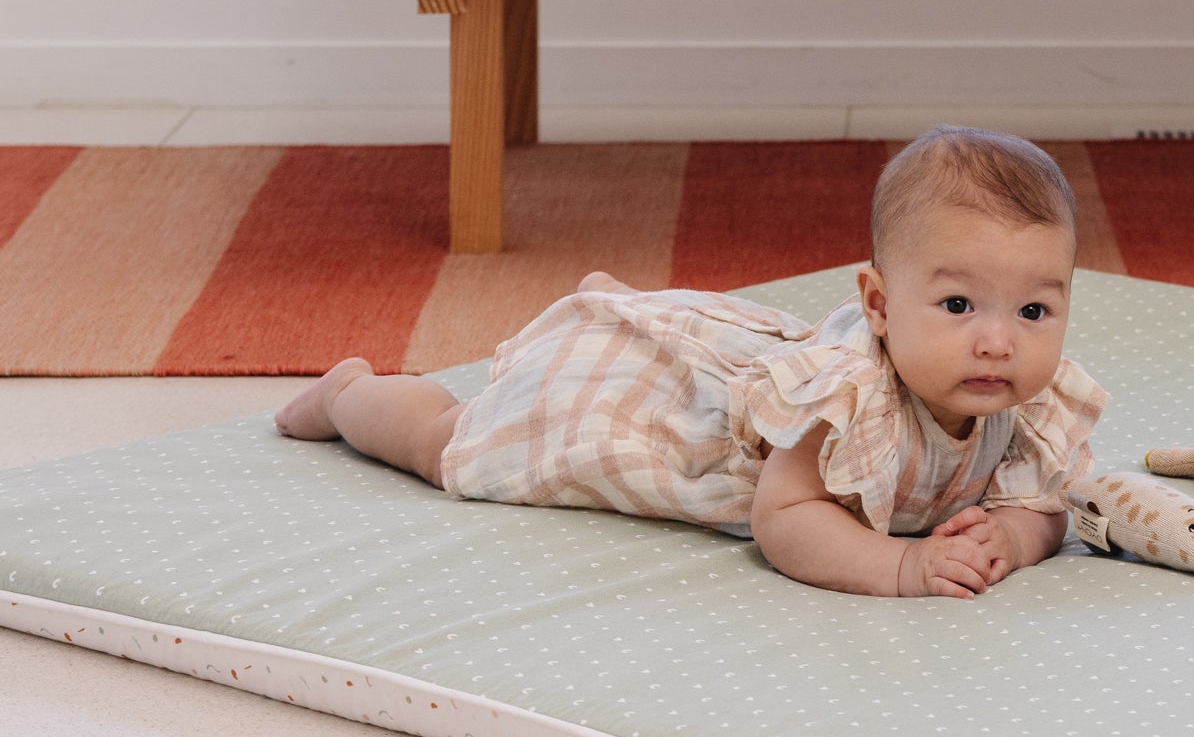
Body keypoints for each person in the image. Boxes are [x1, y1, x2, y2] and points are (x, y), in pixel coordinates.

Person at [274, 126, 1106, 600]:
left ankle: (625, 309)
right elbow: (786, 519)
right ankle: (353, 395)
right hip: (651, 422)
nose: (999, 341)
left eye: (1034, 311)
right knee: (456, 446)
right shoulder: (849, 398)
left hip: (719, 367)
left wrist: (1014, 536)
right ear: (880, 307)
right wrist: (903, 566)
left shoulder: (1025, 401)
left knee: (664, 331)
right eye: (958, 307)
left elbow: (1048, 503)